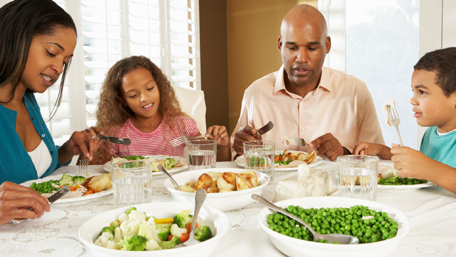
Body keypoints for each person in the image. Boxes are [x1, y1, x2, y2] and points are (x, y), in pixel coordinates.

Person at [231, 4, 384, 161]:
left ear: (327, 45)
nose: (302, 58)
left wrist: (344, 153)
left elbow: (378, 161)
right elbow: (235, 159)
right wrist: (242, 147)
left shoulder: (356, 92)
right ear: (280, 45)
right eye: (292, 47)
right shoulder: (255, 94)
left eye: (311, 48)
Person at [0, 0, 102, 225]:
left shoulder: (28, 100)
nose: (58, 68)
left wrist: (67, 150)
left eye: (64, 61)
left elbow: (34, 173)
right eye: (51, 52)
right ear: (18, 37)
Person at [86, 55, 231, 164]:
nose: (144, 98)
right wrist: (90, 147)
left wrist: (223, 147)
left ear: (159, 86)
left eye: (150, 88)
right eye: (133, 95)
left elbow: (210, 163)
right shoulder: (116, 132)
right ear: (122, 100)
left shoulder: (182, 124)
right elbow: (96, 172)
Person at [354, 47, 456, 194]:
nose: (412, 100)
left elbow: (432, 168)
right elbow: (423, 165)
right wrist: (385, 152)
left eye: (422, 92)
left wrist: (429, 169)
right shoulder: (431, 133)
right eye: (413, 91)